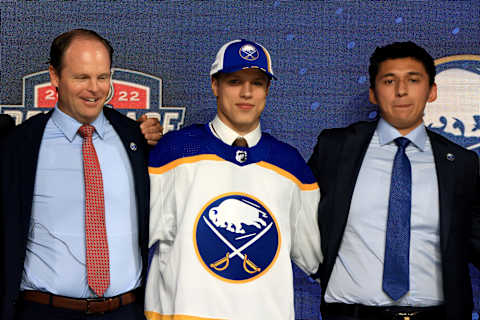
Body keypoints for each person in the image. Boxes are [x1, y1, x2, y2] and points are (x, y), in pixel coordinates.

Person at [145, 39, 322, 320]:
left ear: (267, 90)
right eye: (235, 81)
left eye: (258, 83)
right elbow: (136, 241)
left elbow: (313, 257)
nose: (247, 93)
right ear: (215, 85)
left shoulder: (291, 165)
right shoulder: (174, 151)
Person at [308, 41, 480, 320]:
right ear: (373, 94)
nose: (401, 91)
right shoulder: (335, 148)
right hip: (351, 315)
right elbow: (296, 216)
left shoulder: (460, 163)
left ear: (432, 91)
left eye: (413, 80)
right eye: (389, 81)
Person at [0, 29, 162, 320]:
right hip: (44, 312)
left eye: (102, 77)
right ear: (54, 77)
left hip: (126, 312)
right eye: (81, 77)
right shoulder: (18, 145)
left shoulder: (135, 138)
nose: (95, 88)